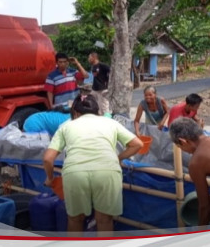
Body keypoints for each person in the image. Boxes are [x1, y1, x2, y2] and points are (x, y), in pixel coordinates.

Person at [43, 95, 143, 233]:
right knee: (104, 220)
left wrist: (49, 178)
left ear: (76, 113)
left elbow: (48, 159)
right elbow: (137, 144)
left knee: (75, 219)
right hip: (107, 172)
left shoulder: (66, 126)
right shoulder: (110, 123)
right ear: (97, 111)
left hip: (75, 173)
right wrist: (118, 158)